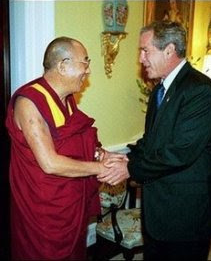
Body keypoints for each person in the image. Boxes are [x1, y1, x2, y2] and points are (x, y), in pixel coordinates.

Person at [98, 21, 211, 261]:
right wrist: (126, 157)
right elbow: (152, 140)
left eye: (145, 51)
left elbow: (180, 151)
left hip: (185, 215)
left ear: (169, 50)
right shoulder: (160, 89)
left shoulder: (200, 90)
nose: (141, 59)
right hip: (158, 212)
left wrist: (130, 168)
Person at [5, 36, 126, 260]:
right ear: (63, 65)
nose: (88, 70)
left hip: (69, 204)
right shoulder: (29, 102)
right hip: (43, 211)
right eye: (85, 62)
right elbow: (50, 163)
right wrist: (100, 168)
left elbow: (78, 142)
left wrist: (102, 154)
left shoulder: (66, 100)